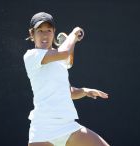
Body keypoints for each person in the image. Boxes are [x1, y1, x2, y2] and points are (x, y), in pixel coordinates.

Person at [23, 12, 110, 146]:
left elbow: (67, 92)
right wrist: (74, 34)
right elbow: (65, 53)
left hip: (68, 127)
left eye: (48, 30)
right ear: (32, 34)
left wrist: (85, 91)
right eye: (40, 31)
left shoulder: (59, 62)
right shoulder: (31, 56)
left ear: (53, 33)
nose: (45, 35)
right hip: (42, 131)